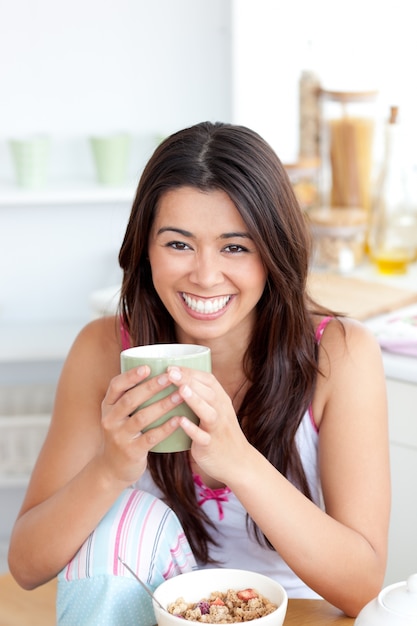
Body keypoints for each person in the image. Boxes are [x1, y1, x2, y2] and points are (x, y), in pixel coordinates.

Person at [8, 121, 390, 622]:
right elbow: (27, 565)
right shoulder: (102, 350)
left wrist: (239, 461)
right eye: (178, 245)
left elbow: (361, 587)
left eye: (235, 246)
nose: (206, 276)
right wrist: (110, 468)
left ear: (273, 252)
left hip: (289, 614)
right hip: (148, 611)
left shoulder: (340, 354)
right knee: (120, 519)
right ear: (144, 250)